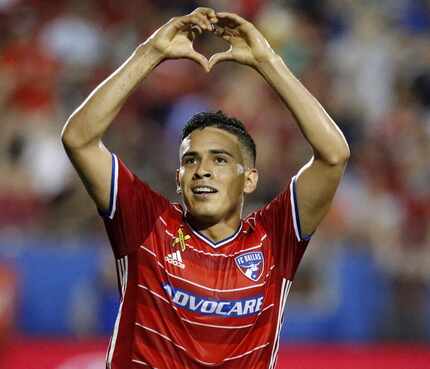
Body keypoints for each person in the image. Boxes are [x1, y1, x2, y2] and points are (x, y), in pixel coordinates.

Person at [61, 7, 349, 369]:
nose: (202, 171)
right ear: (178, 179)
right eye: (191, 161)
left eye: (220, 160)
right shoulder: (148, 222)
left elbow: (334, 155)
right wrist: (151, 52)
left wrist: (267, 61)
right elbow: (79, 139)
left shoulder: (275, 238)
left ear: (250, 178)